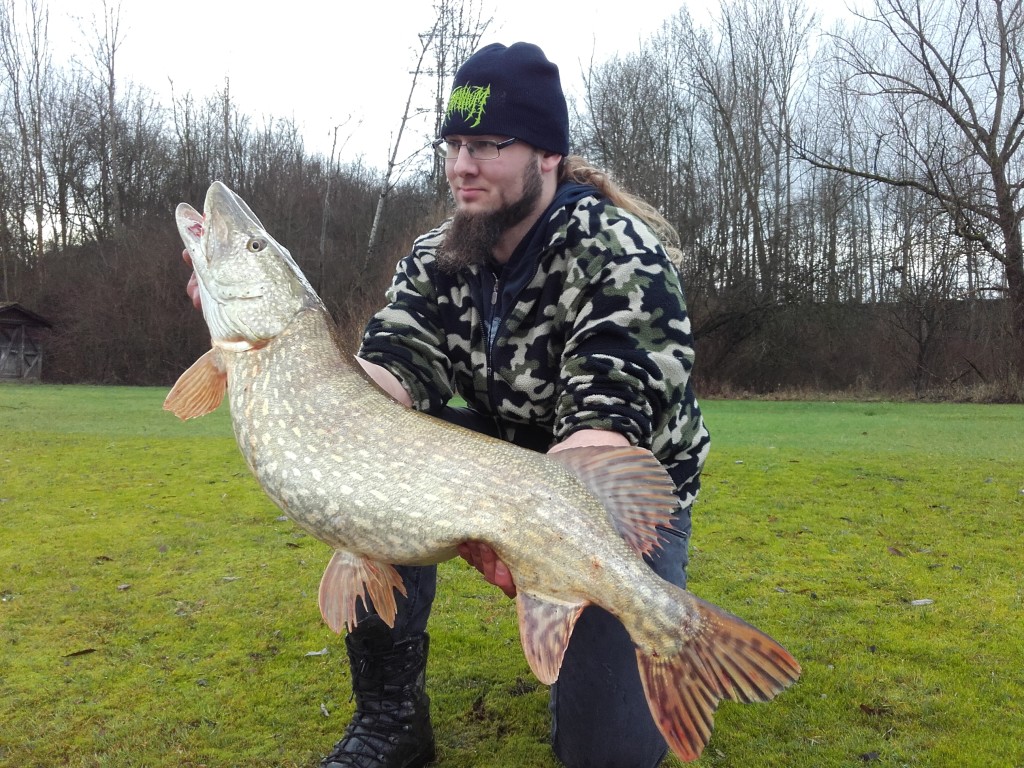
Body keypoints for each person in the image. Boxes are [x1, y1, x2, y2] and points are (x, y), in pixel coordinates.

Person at [187, 41, 710, 768]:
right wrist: (269, 347)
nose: (462, 165)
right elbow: (386, 377)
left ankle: (674, 635)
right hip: (493, 477)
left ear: (547, 155)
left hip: (614, 496)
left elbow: (604, 422)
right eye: (454, 144)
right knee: (370, 464)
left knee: (607, 754)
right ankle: (392, 719)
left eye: (489, 144)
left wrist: (544, 545)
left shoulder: (618, 252)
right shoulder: (439, 255)